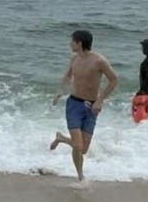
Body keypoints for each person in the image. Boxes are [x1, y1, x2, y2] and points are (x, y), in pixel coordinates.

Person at [50, 29, 119, 184]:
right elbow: (68, 76)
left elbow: (114, 80)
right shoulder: (74, 58)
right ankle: (80, 176)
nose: (70, 44)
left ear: (79, 43)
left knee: (83, 149)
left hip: (91, 107)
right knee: (78, 145)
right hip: (74, 104)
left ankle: (60, 138)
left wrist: (100, 100)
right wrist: (60, 92)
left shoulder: (99, 61)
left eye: (72, 41)